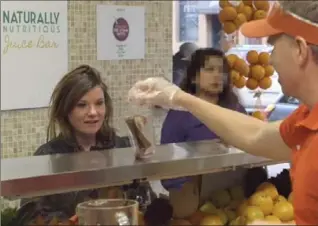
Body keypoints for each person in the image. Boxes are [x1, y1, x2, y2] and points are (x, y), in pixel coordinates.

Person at [128, 1, 318, 225]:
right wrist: (178, 97)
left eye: (274, 46)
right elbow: (258, 135)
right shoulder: (306, 117)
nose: (271, 59)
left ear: (300, 50)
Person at [17, 65, 144, 225]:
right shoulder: (47, 155)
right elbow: (28, 214)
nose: (93, 112)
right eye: (82, 105)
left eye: (99, 103)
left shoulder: (122, 148)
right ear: (66, 110)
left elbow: (144, 200)